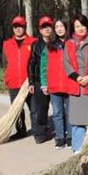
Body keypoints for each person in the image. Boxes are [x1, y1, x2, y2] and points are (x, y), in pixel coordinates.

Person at [63, 14, 88, 154]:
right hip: (76, 83)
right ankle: (78, 147)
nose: (80, 29)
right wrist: (77, 77)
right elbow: (66, 63)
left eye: (82, 25)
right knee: (77, 119)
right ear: (73, 28)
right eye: (77, 26)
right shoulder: (69, 44)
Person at [41, 18, 75, 149]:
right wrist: (44, 83)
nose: (59, 28)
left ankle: (71, 137)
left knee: (70, 113)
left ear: (66, 28)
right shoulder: (49, 47)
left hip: (69, 84)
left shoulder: (72, 44)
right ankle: (60, 137)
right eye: (57, 27)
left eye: (62, 26)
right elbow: (43, 66)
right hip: (54, 85)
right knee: (57, 113)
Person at [2, 16, 36, 140]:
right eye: (15, 27)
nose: (18, 29)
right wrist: (7, 76)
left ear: (24, 27)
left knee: (34, 108)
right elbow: (5, 63)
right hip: (13, 81)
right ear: (13, 28)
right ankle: (21, 131)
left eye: (20, 26)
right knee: (17, 109)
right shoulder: (7, 44)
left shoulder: (33, 42)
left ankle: (37, 129)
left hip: (29, 82)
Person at [28, 16, 53, 144]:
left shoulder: (57, 42)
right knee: (41, 109)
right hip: (39, 81)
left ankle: (63, 131)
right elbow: (31, 63)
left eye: (49, 26)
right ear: (40, 29)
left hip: (55, 81)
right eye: (44, 27)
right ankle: (40, 133)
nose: (47, 29)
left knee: (59, 108)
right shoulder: (36, 45)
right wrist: (31, 82)